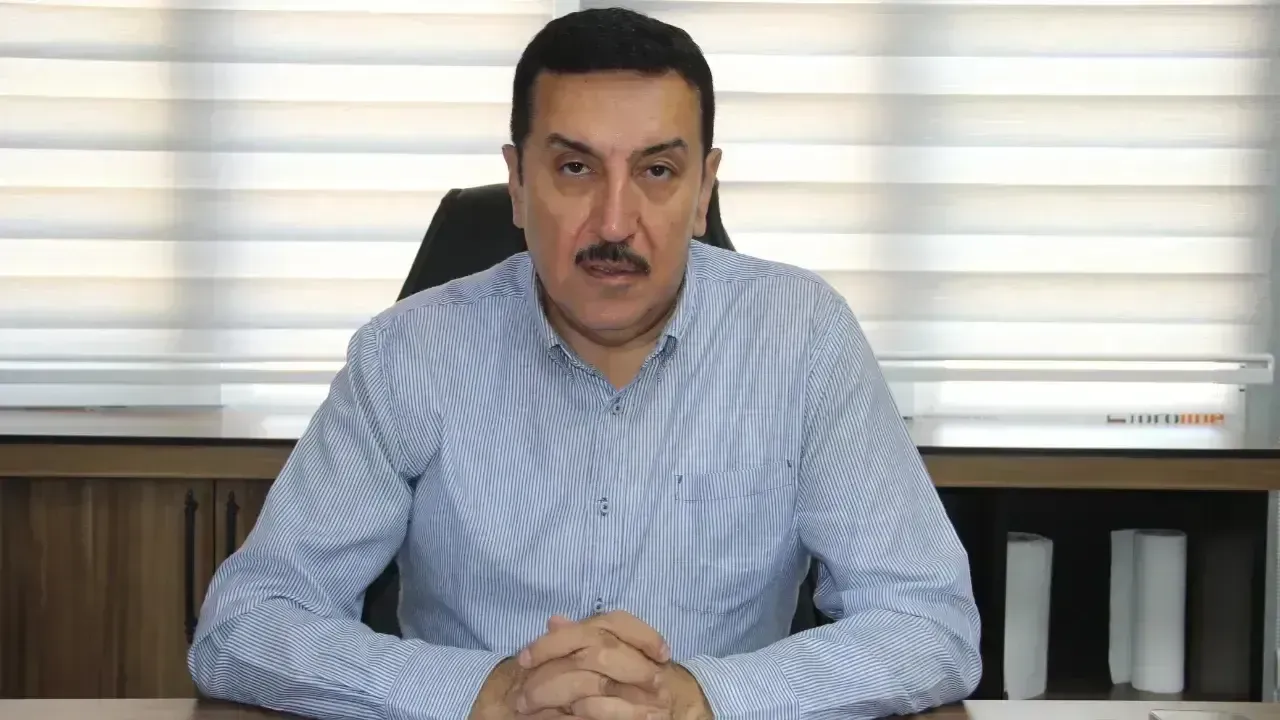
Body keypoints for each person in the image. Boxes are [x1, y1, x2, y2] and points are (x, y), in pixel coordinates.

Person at [188, 7, 982, 720]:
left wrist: (704, 698)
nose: (614, 222)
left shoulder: (802, 338)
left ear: (703, 190)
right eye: (575, 168)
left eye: (657, 171)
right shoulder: (410, 354)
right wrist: (483, 693)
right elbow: (246, 623)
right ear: (517, 182)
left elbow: (929, 623)